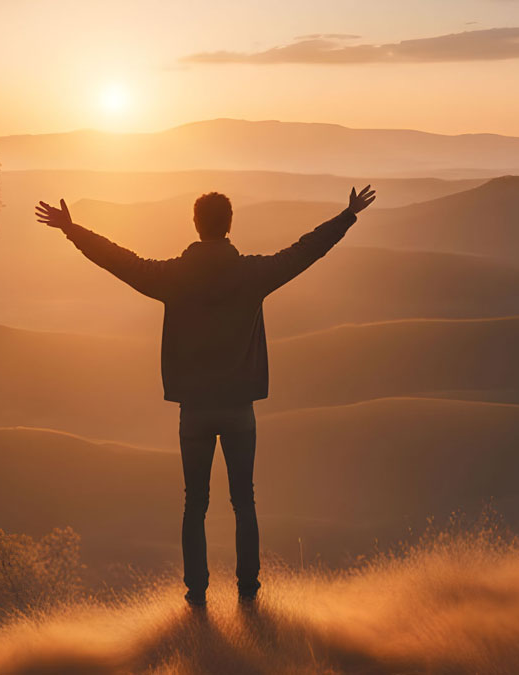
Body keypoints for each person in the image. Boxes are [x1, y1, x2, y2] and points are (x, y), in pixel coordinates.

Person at [36, 185, 376, 607]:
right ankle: (248, 595)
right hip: (238, 409)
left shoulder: (172, 276)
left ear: (195, 226)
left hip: (194, 410)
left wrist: (72, 230)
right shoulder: (254, 274)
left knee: (194, 504)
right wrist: (346, 216)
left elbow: (119, 261)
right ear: (229, 225)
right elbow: (306, 251)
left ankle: (196, 596)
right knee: (243, 500)